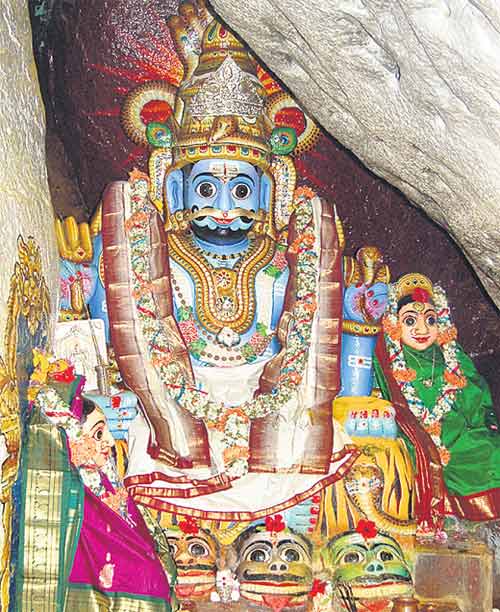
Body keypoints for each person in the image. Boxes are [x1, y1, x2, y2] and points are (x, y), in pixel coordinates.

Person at [17, 351, 176, 611]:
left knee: (152, 572)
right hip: (94, 575)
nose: (111, 442)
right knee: (147, 578)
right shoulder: (73, 487)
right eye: (99, 433)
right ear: (74, 440)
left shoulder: (102, 474)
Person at [374, 273, 500, 529]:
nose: (422, 330)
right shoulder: (386, 357)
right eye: (410, 320)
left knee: (491, 450)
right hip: (411, 431)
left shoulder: (451, 354)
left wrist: (484, 424)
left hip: (456, 431)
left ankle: (482, 521)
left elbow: (475, 394)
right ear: (394, 322)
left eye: (430, 320)